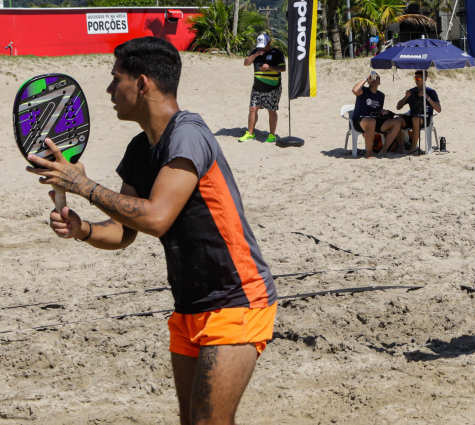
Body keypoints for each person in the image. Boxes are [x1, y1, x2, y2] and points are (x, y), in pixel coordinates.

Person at [26, 37, 277, 424]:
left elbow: (157, 217)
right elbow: (125, 231)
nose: (109, 91)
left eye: (116, 79)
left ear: (142, 84)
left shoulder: (188, 133)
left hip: (236, 298)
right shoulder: (139, 149)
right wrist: (83, 229)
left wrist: (84, 186)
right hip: (190, 305)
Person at [239, 33, 285, 143]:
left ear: (269, 42)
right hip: (257, 86)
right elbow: (246, 63)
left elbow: (283, 68)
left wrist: (269, 68)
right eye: (260, 45)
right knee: (252, 109)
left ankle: (272, 135)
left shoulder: (277, 53)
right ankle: (250, 134)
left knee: (272, 111)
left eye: (264, 44)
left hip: (273, 87)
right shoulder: (256, 51)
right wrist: (255, 55)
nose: (262, 47)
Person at [351, 71, 404, 158]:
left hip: (375, 121)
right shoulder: (363, 90)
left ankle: (384, 150)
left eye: (377, 78)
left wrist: (383, 111)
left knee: (397, 122)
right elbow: (355, 90)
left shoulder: (381, 95)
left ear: (379, 82)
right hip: (360, 121)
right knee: (371, 121)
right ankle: (369, 153)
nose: (374, 79)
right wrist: (365, 78)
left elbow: (377, 110)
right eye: (372, 78)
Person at [396, 70, 442, 154]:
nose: (416, 80)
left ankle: (413, 147)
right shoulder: (412, 91)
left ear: (425, 79)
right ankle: (400, 147)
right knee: (397, 120)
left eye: (418, 78)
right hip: (412, 116)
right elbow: (398, 107)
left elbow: (439, 109)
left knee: (416, 119)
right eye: (415, 78)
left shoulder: (431, 92)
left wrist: (427, 97)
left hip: (425, 118)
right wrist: (406, 97)